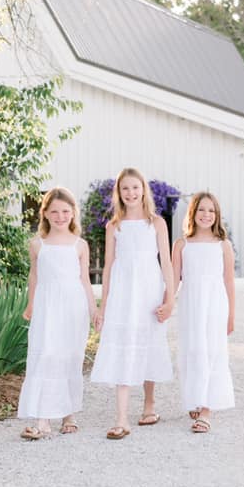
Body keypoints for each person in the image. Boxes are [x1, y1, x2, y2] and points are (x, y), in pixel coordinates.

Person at [91, 167, 174, 439]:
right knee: (125, 345)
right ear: (119, 193)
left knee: (148, 342)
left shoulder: (157, 223)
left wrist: (170, 297)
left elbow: (166, 262)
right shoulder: (114, 226)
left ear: (143, 190)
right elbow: (108, 266)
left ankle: (149, 406)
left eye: (135, 188)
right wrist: (103, 304)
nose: (131, 193)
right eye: (125, 188)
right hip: (123, 293)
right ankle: (122, 418)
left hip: (149, 289)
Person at [19, 187, 98, 440]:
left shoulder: (80, 245)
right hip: (47, 306)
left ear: (73, 213)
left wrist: (94, 309)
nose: (61, 216)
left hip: (73, 306)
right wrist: (30, 304)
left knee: (70, 357)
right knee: (46, 354)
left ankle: (69, 413)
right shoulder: (37, 244)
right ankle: (42, 419)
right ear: (45, 214)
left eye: (65, 211)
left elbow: (85, 280)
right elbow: (34, 277)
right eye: (55, 212)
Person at [172, 191, 235, 433]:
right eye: (201, 210)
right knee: (192, 350)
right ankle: (196, 397)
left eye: (211, 211)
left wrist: (231, 315)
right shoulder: (182, 245)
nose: (206, 215)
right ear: (193, 213)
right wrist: (167, 303)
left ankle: (207, 408)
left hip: (215, 305)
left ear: (217, 216)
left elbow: (229, 282)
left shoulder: (223, 246)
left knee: (211, 351)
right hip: (190, 305)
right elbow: (174, 280)